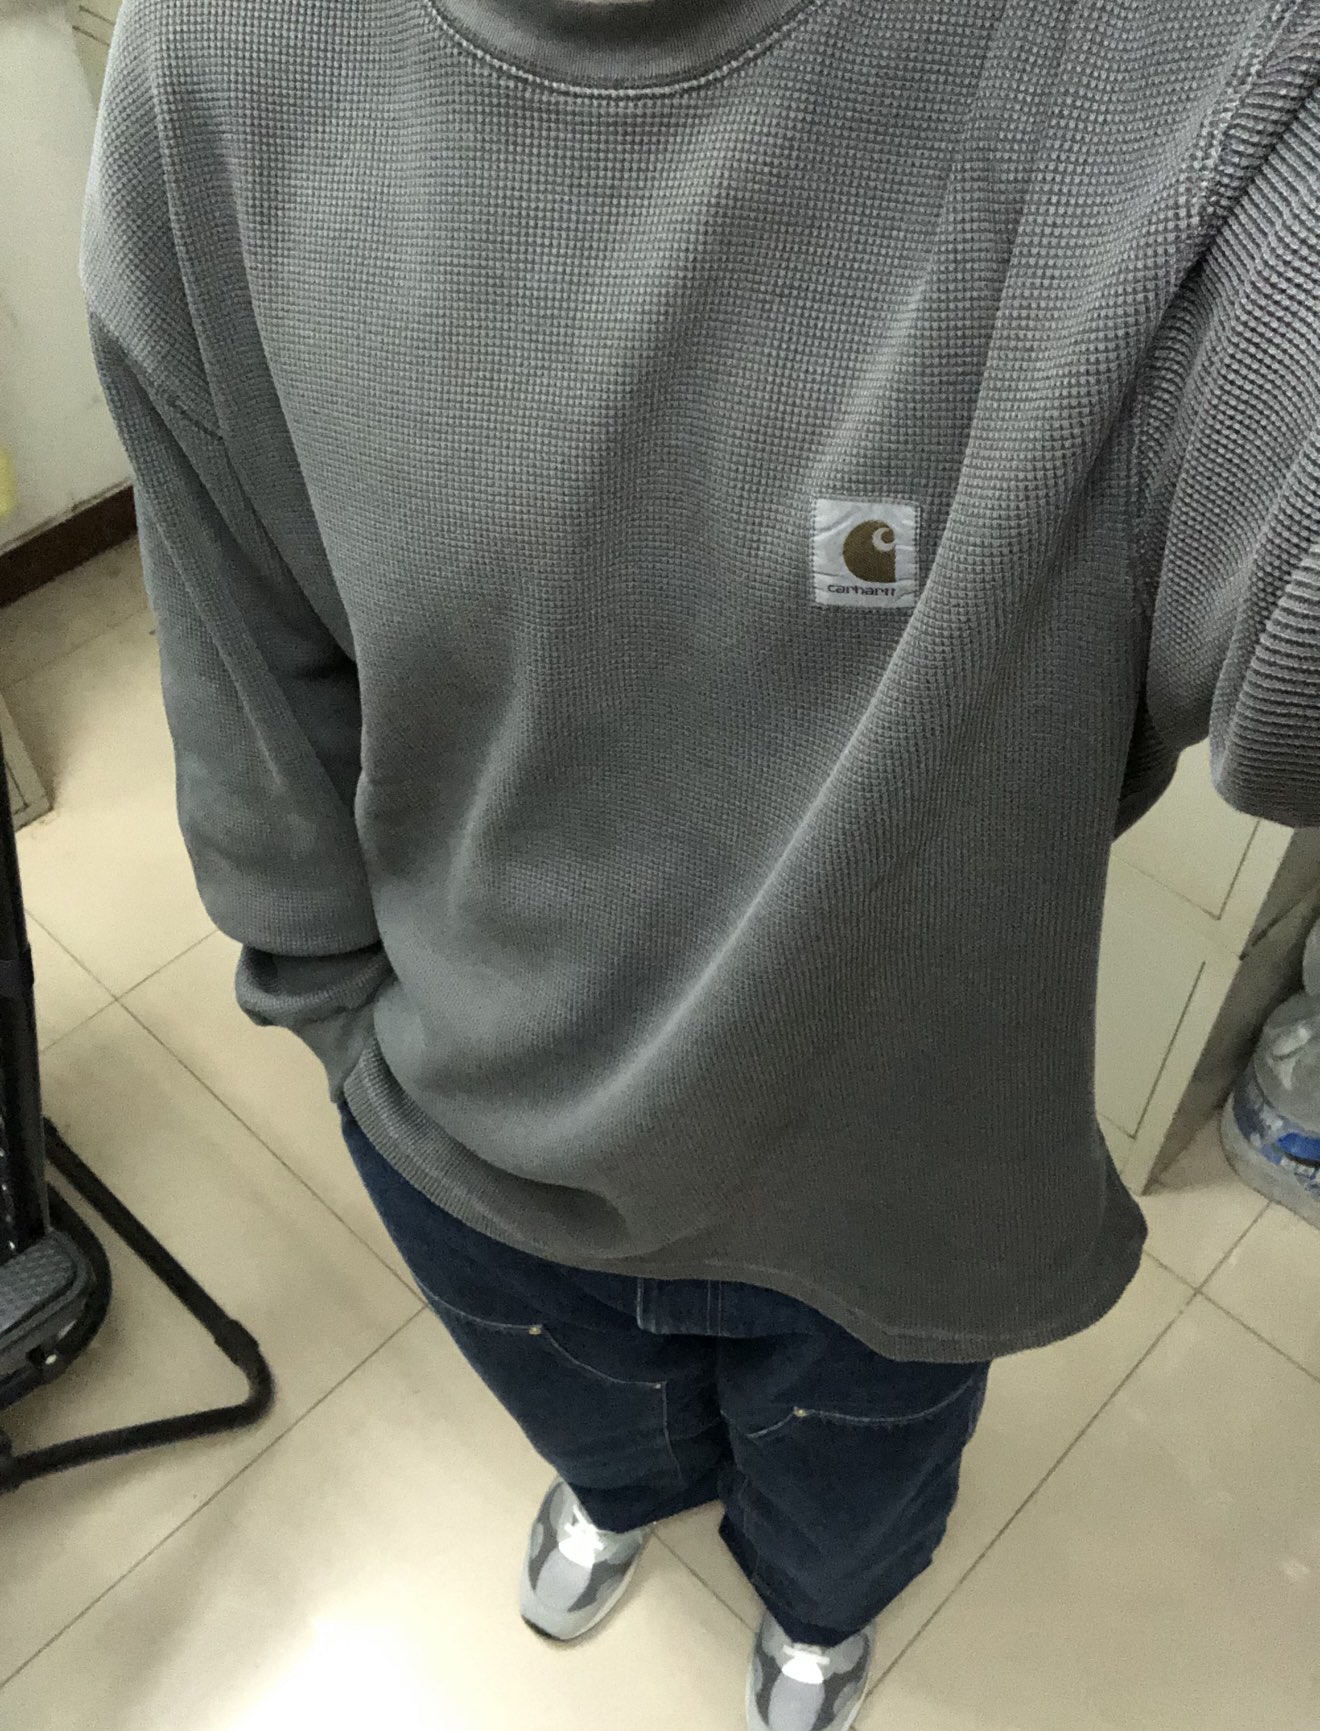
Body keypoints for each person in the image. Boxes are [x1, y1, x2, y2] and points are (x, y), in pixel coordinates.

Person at [80, 2, 1320, 1727]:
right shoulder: (217, 62)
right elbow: (241, 657)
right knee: (596, 1426)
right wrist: (338, 1023)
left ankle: (817, 1618)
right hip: (471, 1128)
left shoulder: (1211, 86)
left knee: (850, 1509)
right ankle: (621, 1494)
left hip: (892, 1198)